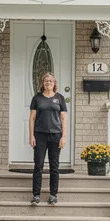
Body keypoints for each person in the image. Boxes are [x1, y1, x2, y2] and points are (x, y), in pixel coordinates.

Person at [29, 72, 68, 206]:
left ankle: (53, 195)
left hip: (55, 135)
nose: (48, 83)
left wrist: (63, 136)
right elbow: (32, 118)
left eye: (51, 81)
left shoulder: (60, 98)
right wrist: (31, 135)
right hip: (40, 135)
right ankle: (36, 195)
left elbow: (63, 118)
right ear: (43, 83)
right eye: (46, 81)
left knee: (54, 166)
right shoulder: (37, 98)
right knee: (38, 165)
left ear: (54, 83)